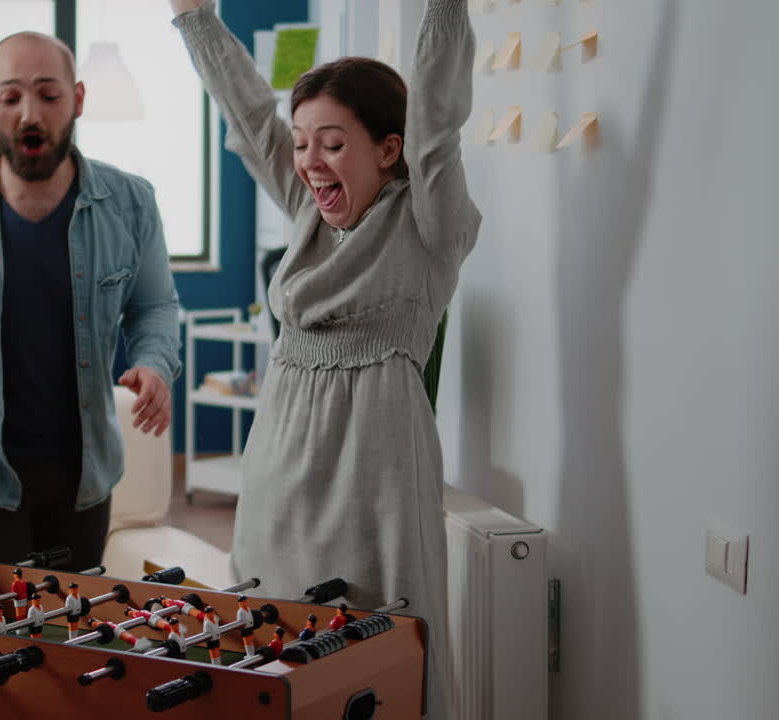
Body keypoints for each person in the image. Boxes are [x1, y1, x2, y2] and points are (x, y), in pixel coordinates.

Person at [170, 1, 480, 717]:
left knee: (375, 648)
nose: (308, 161)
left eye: (332, 143)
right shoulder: (309, 212)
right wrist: (196, 18)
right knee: (272, 641)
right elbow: (251, 121)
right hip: (280, 464)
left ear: (389, 148)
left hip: (374, 479)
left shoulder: (430, 226)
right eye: (304, 142)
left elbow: (439, 125)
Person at [0, 31, 181, 571]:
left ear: (78, 99)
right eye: (11, 96)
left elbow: (154, 306)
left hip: (81, 477)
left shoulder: (132, 203)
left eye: (48, 94)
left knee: (70, 640)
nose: (29, 114)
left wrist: (153, 363)